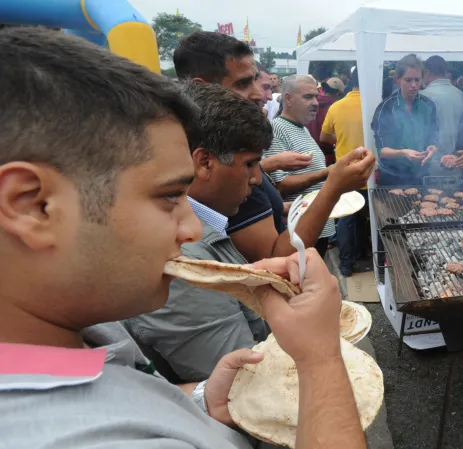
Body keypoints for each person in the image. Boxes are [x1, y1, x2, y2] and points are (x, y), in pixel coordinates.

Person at [0, 27, 365, 449]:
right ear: (32, 205)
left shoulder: (85, 331)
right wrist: (319, 359)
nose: (193, 228)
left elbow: (123, 390)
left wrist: (200, 398)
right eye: (170, 196)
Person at [124, 82, 374, 383]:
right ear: (204, 162)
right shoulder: (182, 258)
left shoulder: (201, 231)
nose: (258, 179)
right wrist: (317, 342)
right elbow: (247, 385)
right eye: (251, 164)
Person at [174, 31, 369, 264]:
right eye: (244, 83)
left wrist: (271, 171)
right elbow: (272, 259)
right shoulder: (224, 170)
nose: (260, 95)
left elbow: (264, 208)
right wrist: (333, 186)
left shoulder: (218, 156)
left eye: (256, 80)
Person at [264, 74, 348, 257]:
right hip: (300, 230)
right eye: (308, 97)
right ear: (288, 98)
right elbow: (280, 185)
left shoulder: (301, 128)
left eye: (316, 96)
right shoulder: (276, 129)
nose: (316, 103)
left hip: (316, 226)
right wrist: (327, 173)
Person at [321, 69, 371, 277]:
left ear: (351, 82)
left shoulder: (336, 106)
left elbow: (324, 137)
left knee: (347, 219)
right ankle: (365, 255)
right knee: (366, 217)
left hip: (347, 173)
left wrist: (341, 142)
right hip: (370, 172)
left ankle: (346, 264)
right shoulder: (374, 105)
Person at [372, 54, 439, 186]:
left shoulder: (429, 106)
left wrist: (433, 148)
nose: (414, 85)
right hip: (392, 177)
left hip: (421, 176)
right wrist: (403, 153)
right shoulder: (386, 108)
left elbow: (434, 138)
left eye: (417, 79)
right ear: (398, 79)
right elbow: (382, 151)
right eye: (408, 80)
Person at [421, 55, 463, 175]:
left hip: (433, 165)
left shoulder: (423, 96)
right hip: (459, 162)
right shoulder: (461, 95)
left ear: (427, 72)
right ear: (445, 72)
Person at [307, 77, 345, 167]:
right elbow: (326, 137)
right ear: (339, 93)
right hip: (326, 156)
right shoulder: (336, 108)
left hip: (307, 154)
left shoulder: (308, 103)